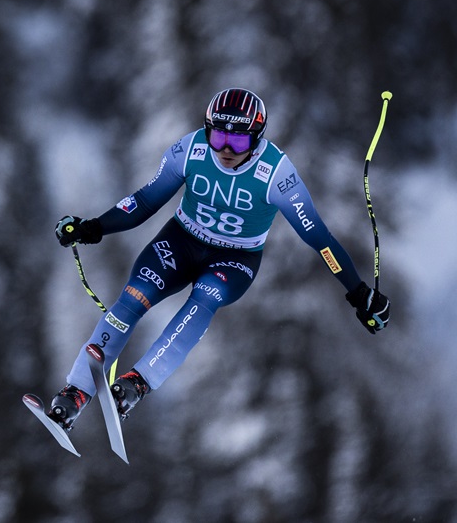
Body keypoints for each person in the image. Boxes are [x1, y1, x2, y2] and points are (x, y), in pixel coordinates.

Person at [49, 87, 391, 429]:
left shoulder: (277, 174)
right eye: (218, 137)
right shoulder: (191, 150)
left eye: (239, 142)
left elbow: (320, 240)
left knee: (204, 297)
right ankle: (75, 393)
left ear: (256, 140)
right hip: (181, 240)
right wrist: (92, 227)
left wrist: (358, 293)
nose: (226, 149)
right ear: (206, 129)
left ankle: (138, 382)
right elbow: (145, 201)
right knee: (134, 296)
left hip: (235, 258)